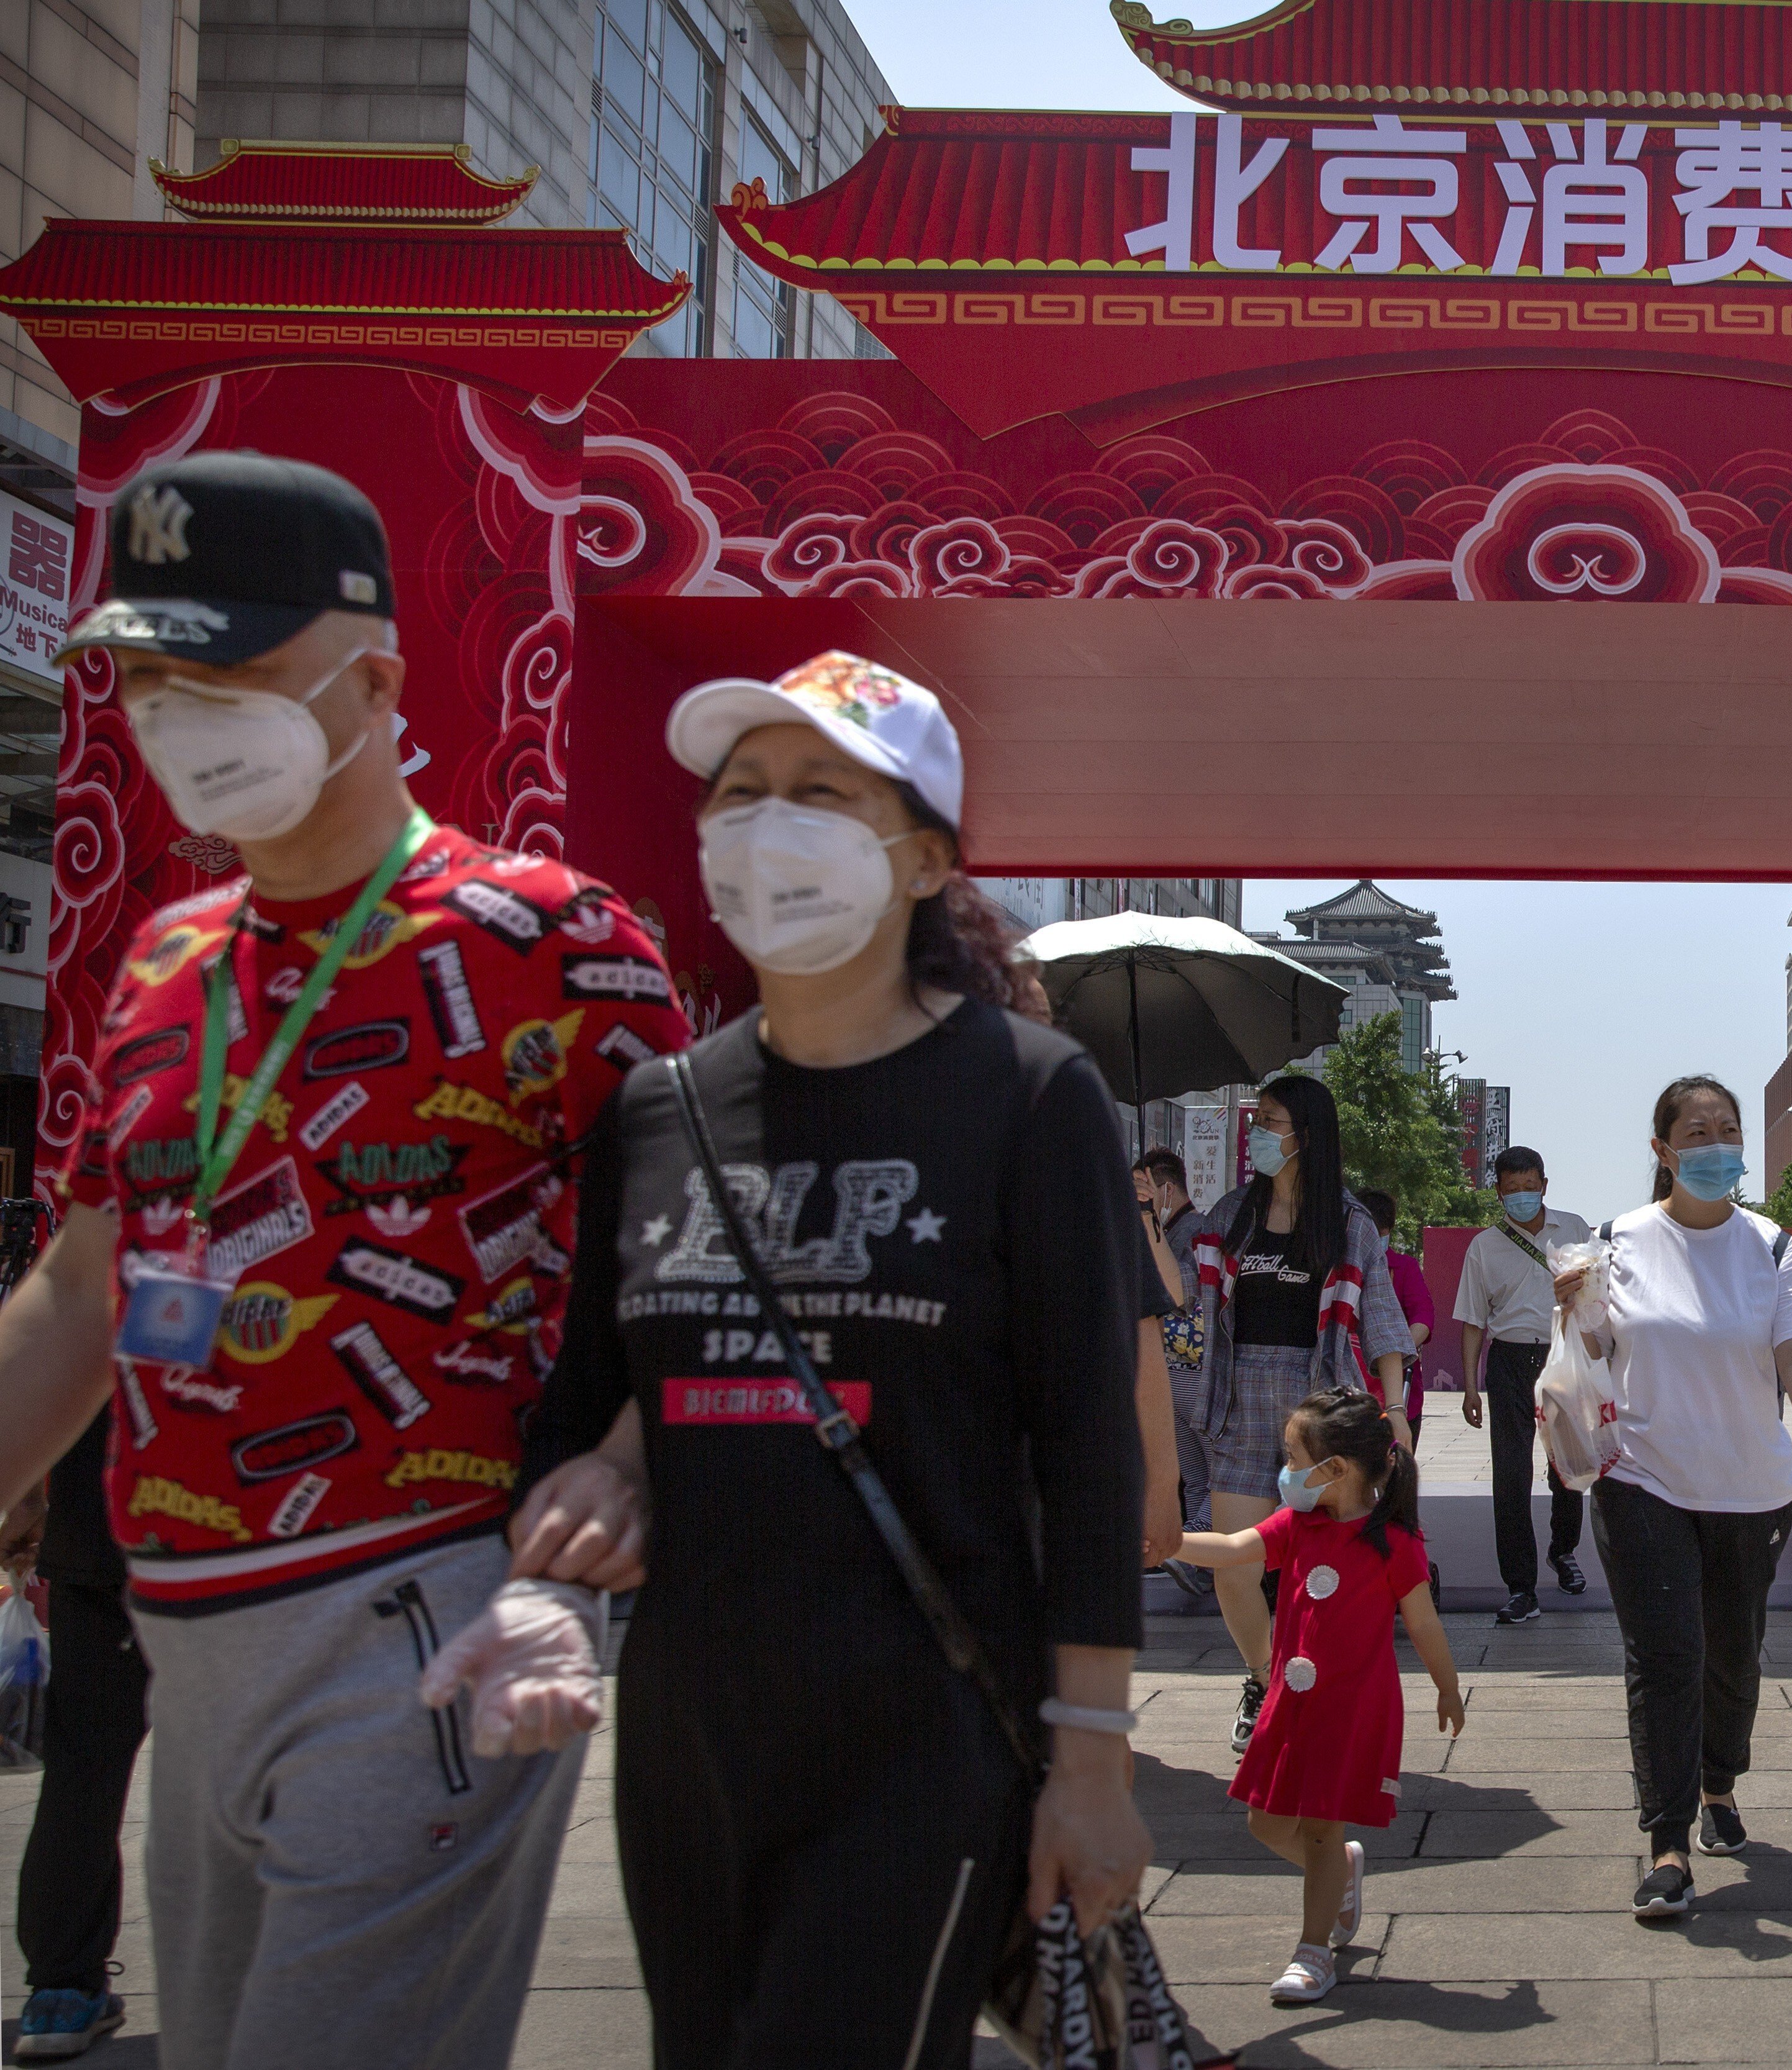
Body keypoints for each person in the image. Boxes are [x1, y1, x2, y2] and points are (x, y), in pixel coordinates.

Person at [0, 452, 691, 2070]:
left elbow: (715, 1257)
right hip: (181, 1640)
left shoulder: (553, 945)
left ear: (373, 675)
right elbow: (81, 1288)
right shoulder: (169, 958)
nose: (179, 709)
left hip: (422, 1618)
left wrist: (631, 1452)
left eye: (226, 667)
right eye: (153, 674)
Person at [500, 650, 1152, 2065]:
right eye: (739, 795)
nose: (766, 824)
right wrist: (584, 1501)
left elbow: (1093, 1448)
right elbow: (584, 1406)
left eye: (819, 793)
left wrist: (1092, 1758)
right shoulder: (657, 1110)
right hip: (685, 1742)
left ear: (921, 861)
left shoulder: (1030, 1097)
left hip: (922, 1735)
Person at [1561, 1077, 1792, 1922]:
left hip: (1751, 1484)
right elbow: (1590, 1351)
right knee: (1667, 1652)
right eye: (1696, 1131)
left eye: (1727, 1131)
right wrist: (1571, 1313)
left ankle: (1720, 1780)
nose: (1716, 1146)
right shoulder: (1615, 1242)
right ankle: (1668, 1842)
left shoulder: (1772, 1248)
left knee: (1733, 1650)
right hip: (1639, 1477)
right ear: (1663, 1151)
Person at [1174, 1388, 1465, 2005]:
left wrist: (1447, 1687)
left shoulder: (1392, 1541)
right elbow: (1231, 1550)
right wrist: (1167, 1542)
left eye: (1292, 1457)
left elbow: (1424, 1625)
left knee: (1320, 1830)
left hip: (1352, 1708)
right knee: (1264, 1821)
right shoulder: (1297, 1525)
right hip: (1290, 1702)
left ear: (1333, 1470)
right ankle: (1339, 1875)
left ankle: (1313, 1952)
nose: (1285, 1471)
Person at [1190, 1076, 1414, 1755]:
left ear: (1306, 1135)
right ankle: (1266, 1680)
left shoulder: (1347, 1224)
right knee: (1232, 1565)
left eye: (1271, 1120)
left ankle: (1317, 1682)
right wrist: (1144, 1217)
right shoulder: (1230, 1213)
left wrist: (1395, 1408)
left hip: (1318, 1404)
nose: (1257, 1132)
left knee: (1315, 1566)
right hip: (1238, 1396)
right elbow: (1177, 1293)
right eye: (1256, 1119)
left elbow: (1380, 1317)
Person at [12, 1416, 145, 2061]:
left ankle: (61, 1991)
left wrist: (26, 1508)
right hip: (241, 1548)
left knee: (82, 1775)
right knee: (247, 1766)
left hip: (97, 1540)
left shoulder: (96, 1306)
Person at [1453, 1146, 1593, 1623]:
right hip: (1510, 1361)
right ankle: (1520, 1586)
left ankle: (1564, 1549)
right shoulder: (1483, 1247)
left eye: (1529, 1187)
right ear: (1498, 1192)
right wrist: (1471, 1387)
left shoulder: (1574, 1229)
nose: (1521, 1197)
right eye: (1511, 1190)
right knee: (1511, 1474)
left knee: (1568, 1466)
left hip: (1562, 1356)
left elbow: (1600, 1295)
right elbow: (1473, 1321)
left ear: (1545, 1185)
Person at [1138, 1148, 1214, 1534]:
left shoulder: (1197, 1231)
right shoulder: (1165, 1229)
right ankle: (1199, 1561)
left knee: (1214, 1475)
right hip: (1171, 1369)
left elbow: (1183, 1292)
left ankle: (1192, 1550)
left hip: (1195, 1368)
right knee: (1196, 1475)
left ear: (1165, 1190)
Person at [1357, 1189, 1439, 1428]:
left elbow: (1424, 1317)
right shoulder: (1339, 1268)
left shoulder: (1404, 1267)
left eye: (1381, 1233)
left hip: (1399, 1389)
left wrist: (1394, 1352)